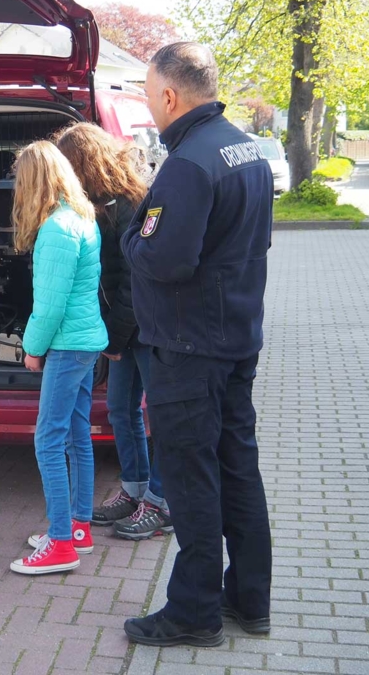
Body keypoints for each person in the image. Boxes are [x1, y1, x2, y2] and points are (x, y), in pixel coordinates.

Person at [121, 42, 274, 646]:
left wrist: (132, 234)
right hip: (235, 335)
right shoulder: (246, 148)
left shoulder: (187, 163)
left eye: (146, 91)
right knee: (239, 468)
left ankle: (193, 611)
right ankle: (249, 599)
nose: (148, 105)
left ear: (167, 95)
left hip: (188, 348)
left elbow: (163, 257)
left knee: (191, 479)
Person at [55, 123, 171, 540]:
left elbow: (130, 282)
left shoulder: (127, 204)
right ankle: (135, 489)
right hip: (125, 328)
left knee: (158, 414)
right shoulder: (102, 203)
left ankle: (161, 501)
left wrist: (114, 339)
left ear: (83, 165)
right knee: (122, 409)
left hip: (146, 326)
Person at [8, 141, 108, 576]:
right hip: (85, 341)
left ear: (32, 181)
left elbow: (49, 304)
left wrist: (31, 349)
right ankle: (78, 528)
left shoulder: (54, 229)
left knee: (47, 440)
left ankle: (61, 543)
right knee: (76, 434)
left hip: (67, 345)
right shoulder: (82, 218)